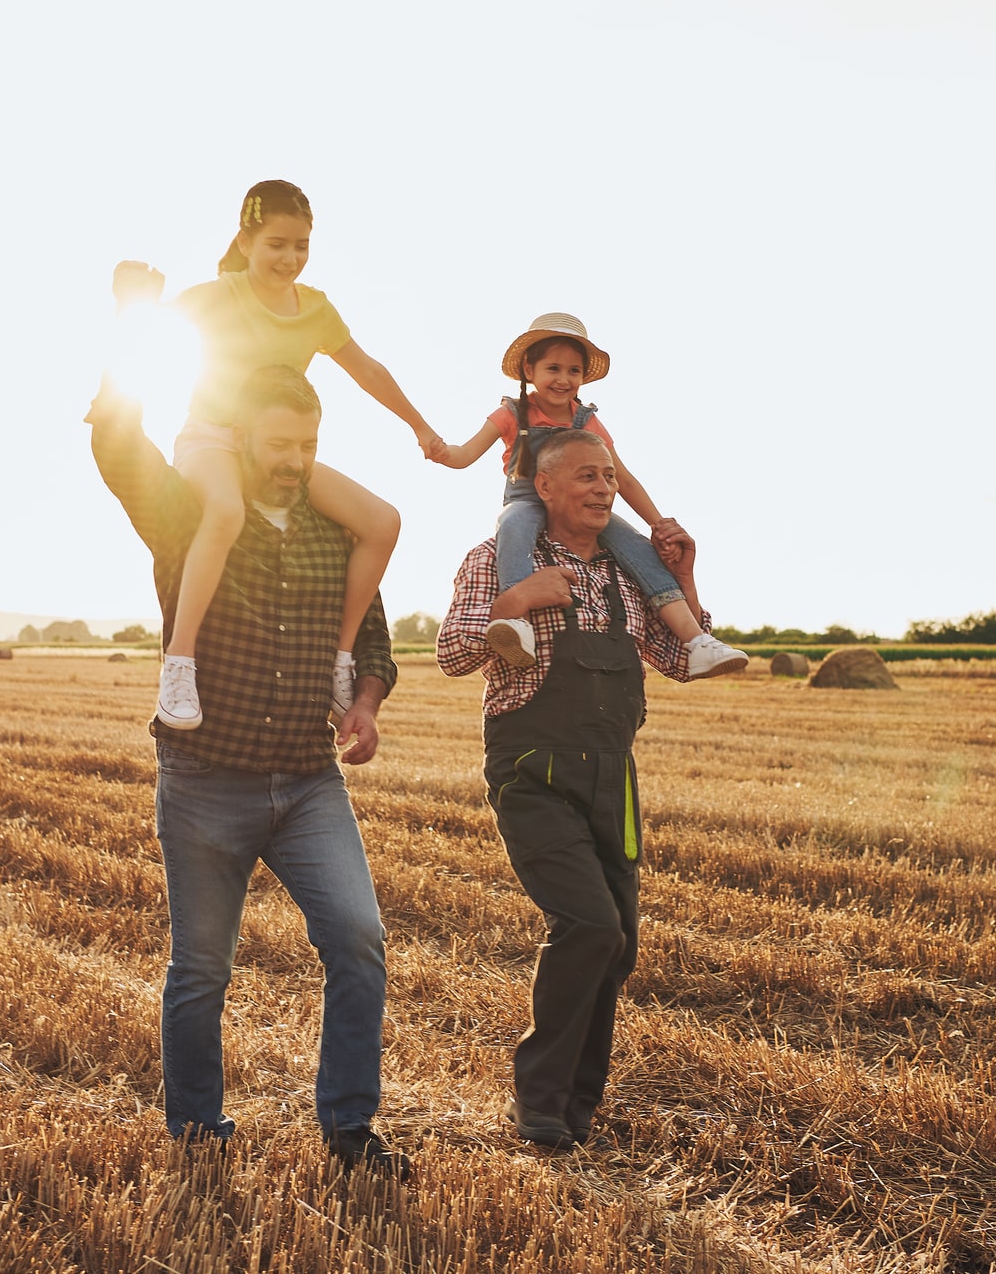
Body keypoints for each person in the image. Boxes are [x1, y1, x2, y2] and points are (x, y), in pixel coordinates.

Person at [86, 361, 409, 1177]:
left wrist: (366, 702)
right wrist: (123, 361)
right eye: (279, 442)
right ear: (240, 436)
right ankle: (196, 1132)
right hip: (204, 781)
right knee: (201, 967)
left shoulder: (337, 534)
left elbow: (372, 641)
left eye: (308, 444)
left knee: (360, 941)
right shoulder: (189, 515)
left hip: (307, 781)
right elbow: (125, 459)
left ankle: (348, 1128)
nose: (294, 460)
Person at [436, 427, 714, 1150]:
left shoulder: (631, 573)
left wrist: (684, 579)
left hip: (611, 775)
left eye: (609, 478)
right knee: (588, 926)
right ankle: (540, 1101)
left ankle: (577, 1108)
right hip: (534, 769)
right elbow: (453, 652)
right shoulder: (498, 558)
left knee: (615, 946)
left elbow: (683, 663)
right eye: (586, 476)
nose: (602, 488)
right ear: (545, 487)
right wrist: (518, 600)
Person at [112, 179, 445, 734]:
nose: (290, 258)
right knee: (224, 513)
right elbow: (150, 330)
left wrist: (422, 429)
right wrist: (133, 301)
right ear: (245, 241)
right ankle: (180, 662)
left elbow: (369, 372)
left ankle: (340, 662)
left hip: (280, 454)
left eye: (302, 245)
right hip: (214, 440)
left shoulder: (315, 310)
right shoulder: (219, 295)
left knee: (382, 522)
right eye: (277, 244)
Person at [432, 312, 746, 679]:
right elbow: (465, 454)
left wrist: (658, 524)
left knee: (640, 548)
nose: (564, 379)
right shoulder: (511, 413)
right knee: (512, 525)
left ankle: (696, 642)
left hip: (584, 508)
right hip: (526, 499)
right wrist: (442, 451)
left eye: (574, 371)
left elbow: (623, 479)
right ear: (529, 370)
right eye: (554, 368)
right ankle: (516, 623)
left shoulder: (588, 421)